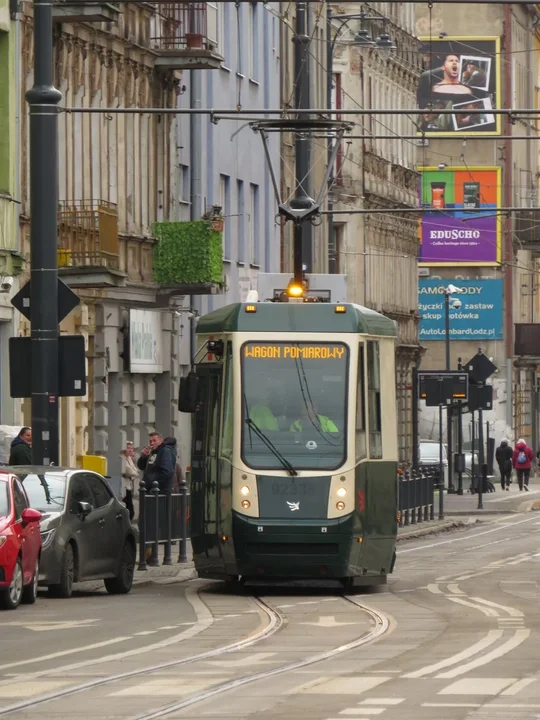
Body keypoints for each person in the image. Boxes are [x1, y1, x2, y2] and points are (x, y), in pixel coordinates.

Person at [120, 441, 138, 520]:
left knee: (131, 511)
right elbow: (129, 471)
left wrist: (134, 473)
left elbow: (135, 471)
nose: (130, 450)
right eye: (128, 448)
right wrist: (134, 473)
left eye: (132, 448)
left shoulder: (129, 458)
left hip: (129, 487)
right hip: (124, 487)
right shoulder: (122, 458)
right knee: (129, 510)